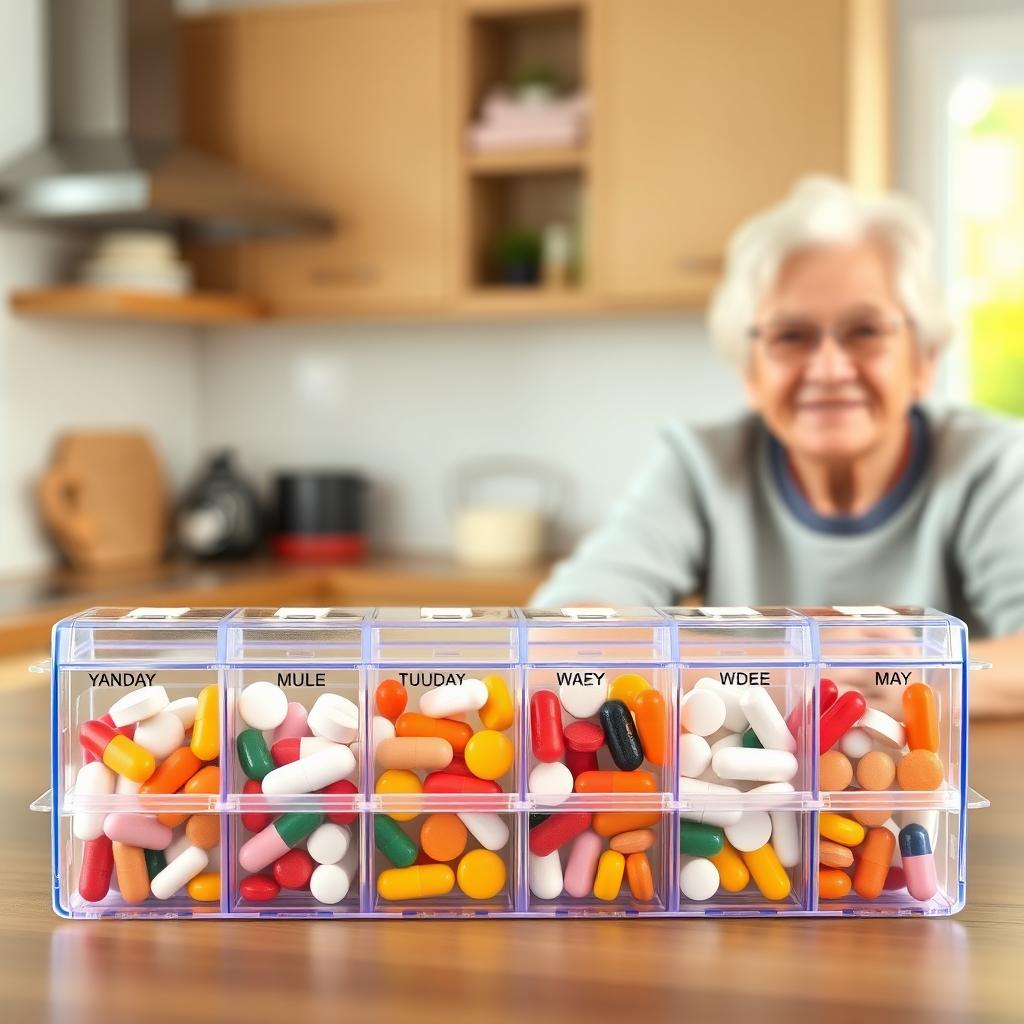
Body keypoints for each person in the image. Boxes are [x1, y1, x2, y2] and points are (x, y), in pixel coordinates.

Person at [532, 176, 1024, 716]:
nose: (830, 370)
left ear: (924, 360)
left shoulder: (993, 464)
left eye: (865, 331)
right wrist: (785, 662)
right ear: (751, 373)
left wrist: (914, 676)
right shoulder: (700, 465)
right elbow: (561, 633)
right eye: (791, 337)